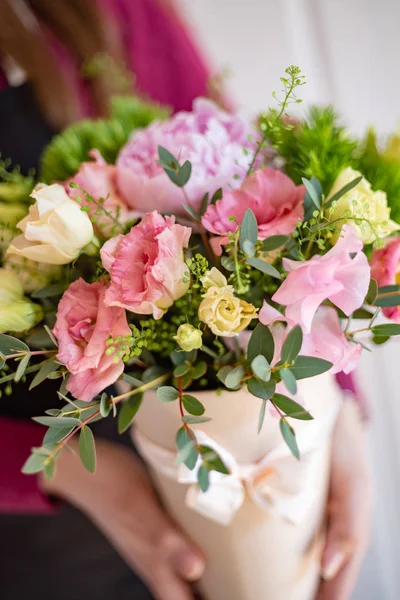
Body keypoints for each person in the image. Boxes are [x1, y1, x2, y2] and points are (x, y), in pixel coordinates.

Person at [0, 1, 371, 599]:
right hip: (56, 551)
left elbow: (254, 194)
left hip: (255, 470)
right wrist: (73, 472)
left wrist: (338, 418)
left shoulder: (120, 7)